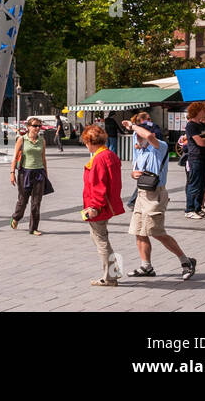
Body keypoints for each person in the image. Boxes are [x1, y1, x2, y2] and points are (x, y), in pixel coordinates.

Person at [120, 112, 196, 281]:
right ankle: (146, 266)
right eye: (136, 137)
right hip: (142, 193)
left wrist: (132, 126)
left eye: (139, 136)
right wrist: (134, 174)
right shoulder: (140, 150)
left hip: (156, 194)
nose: (137, 139)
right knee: (139, 231)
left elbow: (146, 134)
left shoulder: (159, 146)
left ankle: (186, 261)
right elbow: (135, 170)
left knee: (157, 232)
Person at [80, 123, 125, 287]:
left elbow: (98, 185)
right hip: (108, 204)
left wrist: (94, 207)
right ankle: (114, 272)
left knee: (101, 241)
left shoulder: (99, 158)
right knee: (102, 238)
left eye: (86, 142)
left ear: (91, 141)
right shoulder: (110, 154)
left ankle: (110, 277)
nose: (86, 145)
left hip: (98, 206)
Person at [10, 117, 49, 235]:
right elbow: (15, 157)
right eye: (35, 125)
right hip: (25, 173)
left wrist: (46, 174)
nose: (37, 128)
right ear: (28, 127)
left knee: (36, 202)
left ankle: (33, 228)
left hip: (39, 173)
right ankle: (16, 217)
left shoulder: (42, 141)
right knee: (23, 200)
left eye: (39, 126)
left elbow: (43, 158)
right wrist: (12, 173)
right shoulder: (22, 139)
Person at [180, 102, 205, 218]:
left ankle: (198, 207)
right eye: (203, 110)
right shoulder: (191, 126)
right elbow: (201, 142)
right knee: (194, 184)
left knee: (202, 184)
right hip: (196, 158)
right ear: (198, 111)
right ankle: (189, 209)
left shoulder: (202, 125)